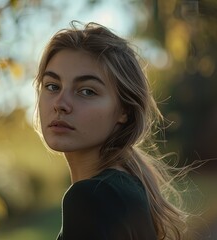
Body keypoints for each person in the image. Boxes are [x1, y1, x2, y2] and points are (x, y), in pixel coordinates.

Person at [34, 21, 188, 240]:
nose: (60, 103)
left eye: (86, 91)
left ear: (124, 110)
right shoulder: (127, 187)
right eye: (52, 86)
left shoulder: (92, 198)